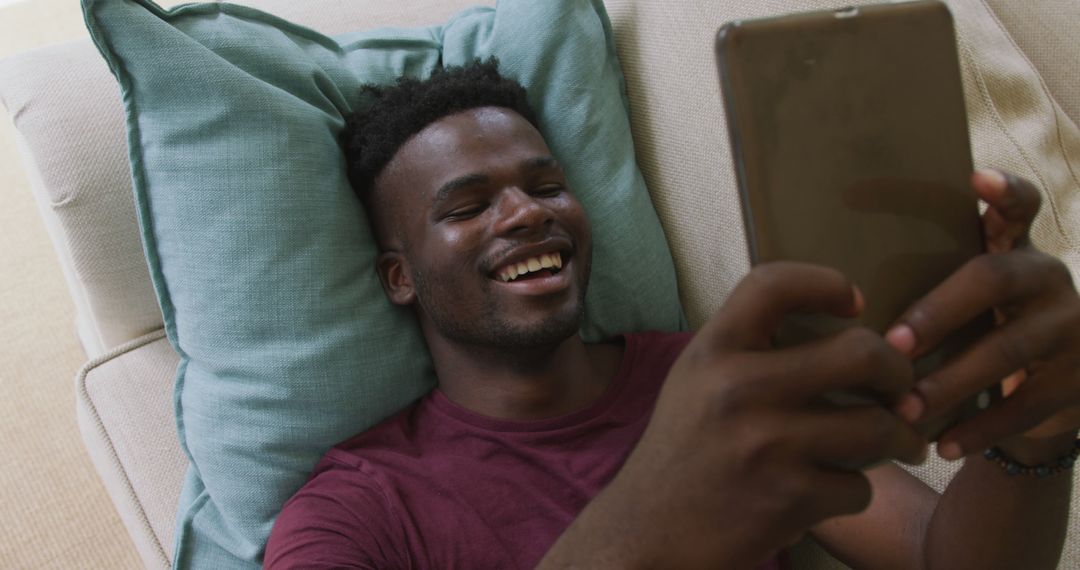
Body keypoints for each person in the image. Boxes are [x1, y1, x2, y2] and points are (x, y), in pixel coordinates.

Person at [264, 58, 1080, 569]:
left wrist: (1034, 434)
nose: (524, 214)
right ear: (398, 277)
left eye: (546, 187)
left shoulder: (715, 386)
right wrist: (643, 529)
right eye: (468, 205)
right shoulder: (356, 509)